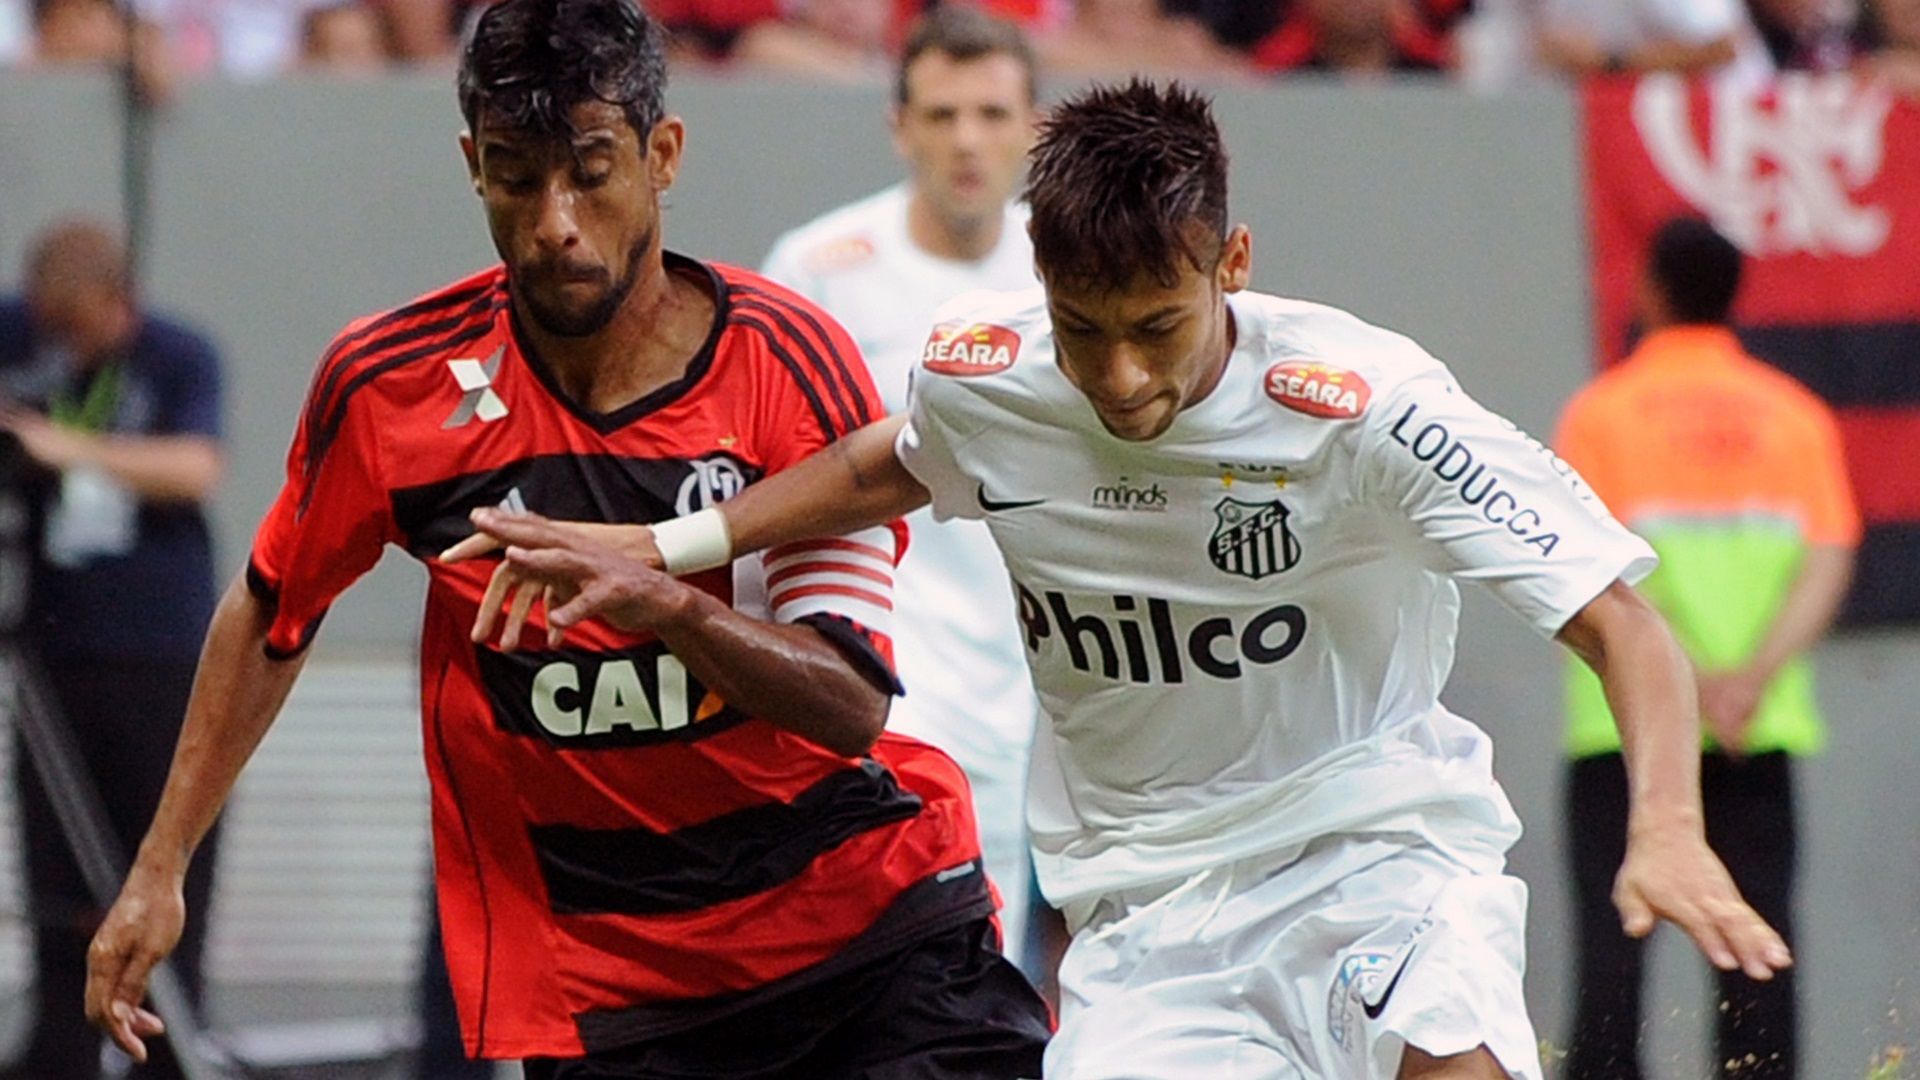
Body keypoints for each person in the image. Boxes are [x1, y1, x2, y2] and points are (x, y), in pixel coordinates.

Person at [453, 80, 1794, 1079]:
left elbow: (1622, 623)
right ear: (1039, 276)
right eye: (1084, 332)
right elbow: (889, 462)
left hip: (1375, 854)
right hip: (1149, 918)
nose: (1122, 376)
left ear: (1232, 263)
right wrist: (674, 548)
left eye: (1158, 326)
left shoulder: (1368, 408)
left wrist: (1669, 826)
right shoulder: (991, 382)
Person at [81, 2, 1052, 1078]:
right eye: (515, 175)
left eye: (591, 173)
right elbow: (273, 607)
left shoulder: (785, 362)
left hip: (867, 941)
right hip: (617, 987)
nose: (554, 222)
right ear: (472, 165)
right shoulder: (389, 389)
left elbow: (850, 701)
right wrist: (159, 866)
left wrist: (664, 594)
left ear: (661, 155)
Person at [759, 3, 1049, 976]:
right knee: (872, 940)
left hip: (1048, 669)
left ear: (1032, 129)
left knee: (1024, 946)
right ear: (900, 127)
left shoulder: (1074, 267)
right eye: (941, 114)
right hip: (883, 666)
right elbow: (773, 478)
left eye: (992, 115)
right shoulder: (818, 267)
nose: (967, 140)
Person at [1553, 218, 1858, 1080]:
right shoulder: (1793, 415)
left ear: (1650, 289)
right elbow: (1829, 557)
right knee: (1755, 953)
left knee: (1612, 960)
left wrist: (1679, 680)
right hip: (1752, 729)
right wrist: (1745, 681)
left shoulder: (1602, 414)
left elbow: (1588, 571)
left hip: (1625, 730)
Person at [0, 220, 224, 1080]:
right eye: (50, 325)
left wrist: (68, 448)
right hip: (53, 646)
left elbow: (196, 467)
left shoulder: (178, 357)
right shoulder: (20, 340)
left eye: (79, 325)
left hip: (156, 650)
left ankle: (166, 1047)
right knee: (55, 869)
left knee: (161, 855)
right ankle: (59, 1047)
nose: (65, 343)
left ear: (119, 303)